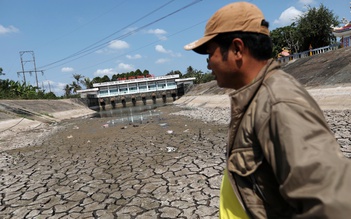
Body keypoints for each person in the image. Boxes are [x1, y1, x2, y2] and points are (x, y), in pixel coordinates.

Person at [184, 2, 351, 218]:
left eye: (210, 54)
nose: (208, 65)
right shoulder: (253, 98)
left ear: (236, 49)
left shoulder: (277, 103)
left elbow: (333, 206)